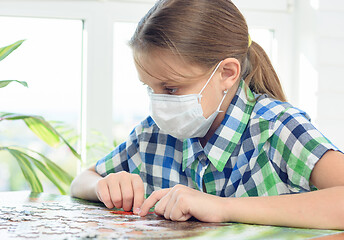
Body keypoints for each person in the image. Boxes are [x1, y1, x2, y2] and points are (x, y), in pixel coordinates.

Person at [70, 0, 344, 230]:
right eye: (150, 88)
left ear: (227, 73)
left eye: (171, 88)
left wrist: (223, 208)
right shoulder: (152, 135)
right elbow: (82, 180)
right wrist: (104, 186)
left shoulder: (277, 127)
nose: (159, 103)